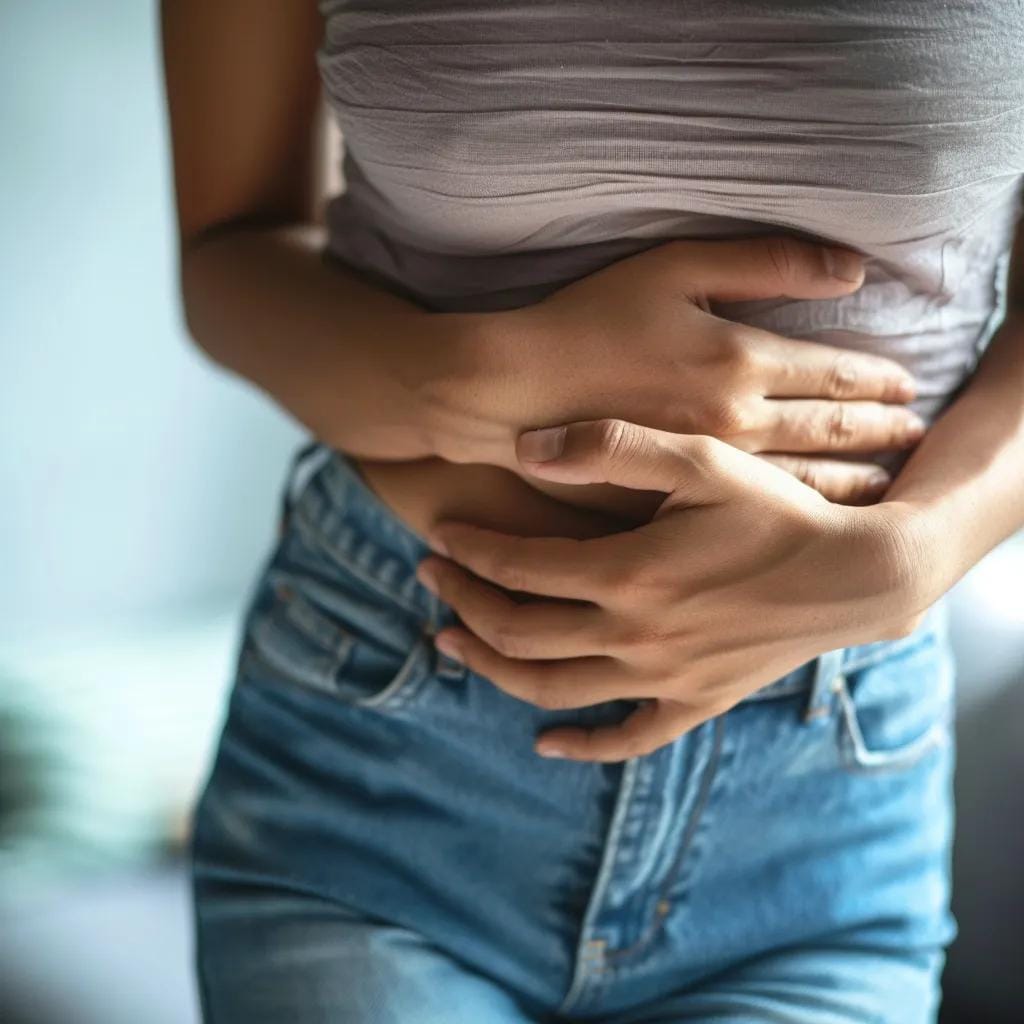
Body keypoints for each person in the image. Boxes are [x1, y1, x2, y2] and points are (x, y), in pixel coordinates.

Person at [161, 2, 1024, 1021]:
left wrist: (912, 556)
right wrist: (475, 380)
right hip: (384, 749)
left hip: (816, 817)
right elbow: (229, 253)